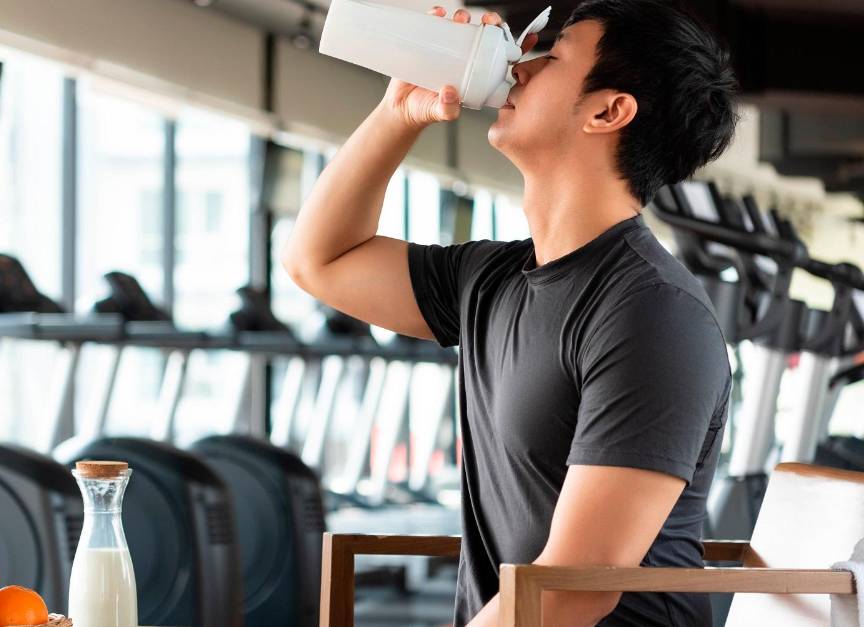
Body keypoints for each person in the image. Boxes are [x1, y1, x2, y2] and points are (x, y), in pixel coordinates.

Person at [282, 1, 738, 625]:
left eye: (550, 56)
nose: (519, 67)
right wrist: (398, 112)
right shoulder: (490, 278)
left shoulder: (654, 315)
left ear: (608, 111)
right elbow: (321, 261)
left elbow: (574, 588)